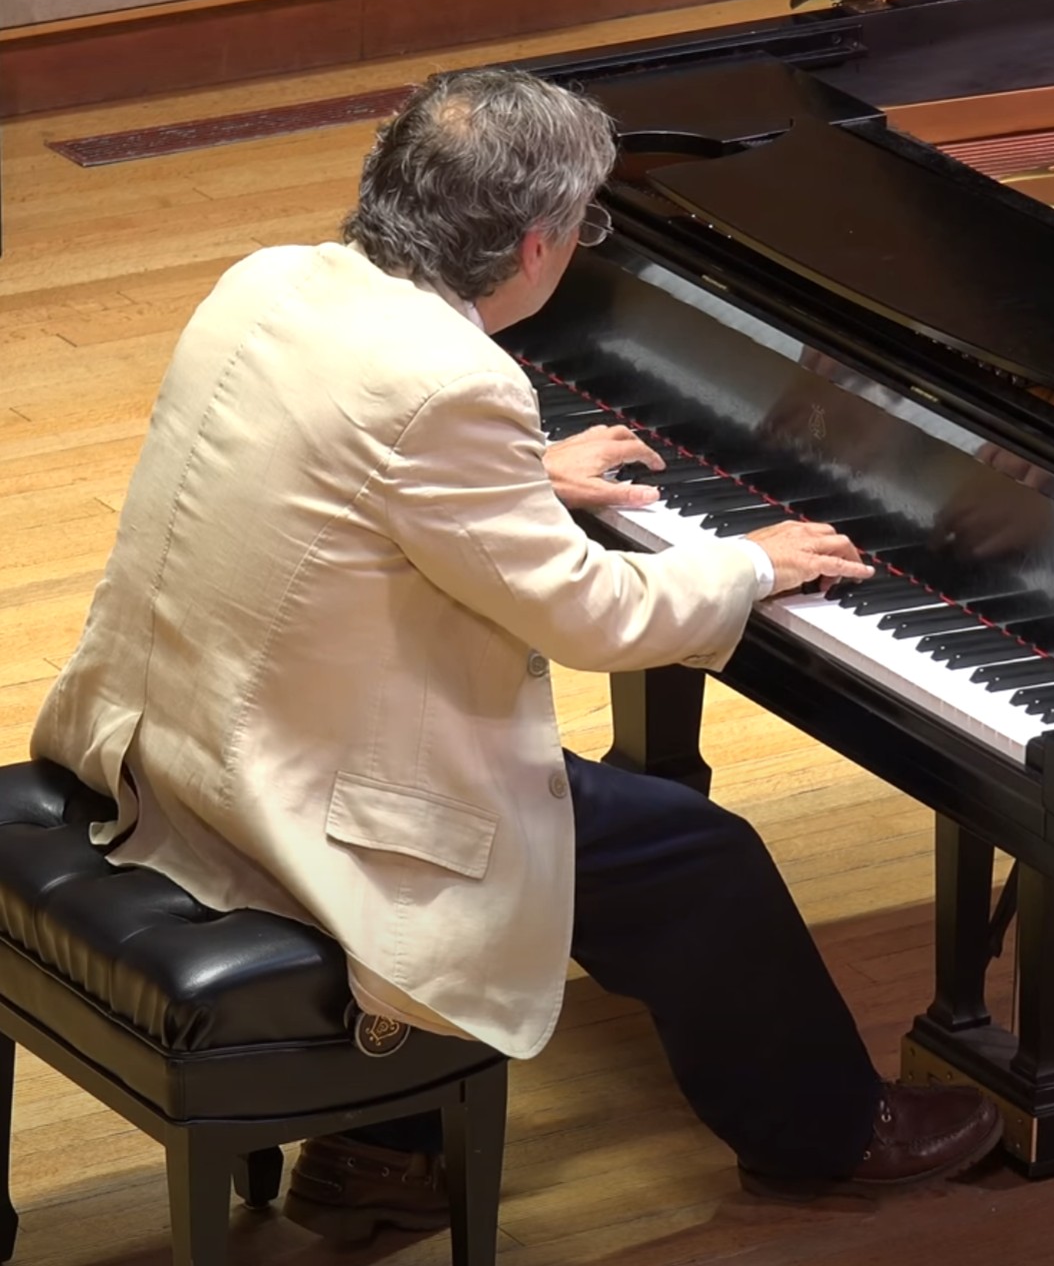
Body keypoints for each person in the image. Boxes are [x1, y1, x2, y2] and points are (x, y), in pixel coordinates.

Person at [30, 67, 1001, 1241]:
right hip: (292, 790)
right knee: (702, 860)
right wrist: (750, 563)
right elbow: (593, 619)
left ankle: (383, 1152)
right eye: (587, 224)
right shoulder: (451, 383)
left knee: (614, 832)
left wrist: (518, 476)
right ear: (537, 244)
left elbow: (324, 460)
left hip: (168, 734)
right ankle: (828, 1138)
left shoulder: (272, 281)